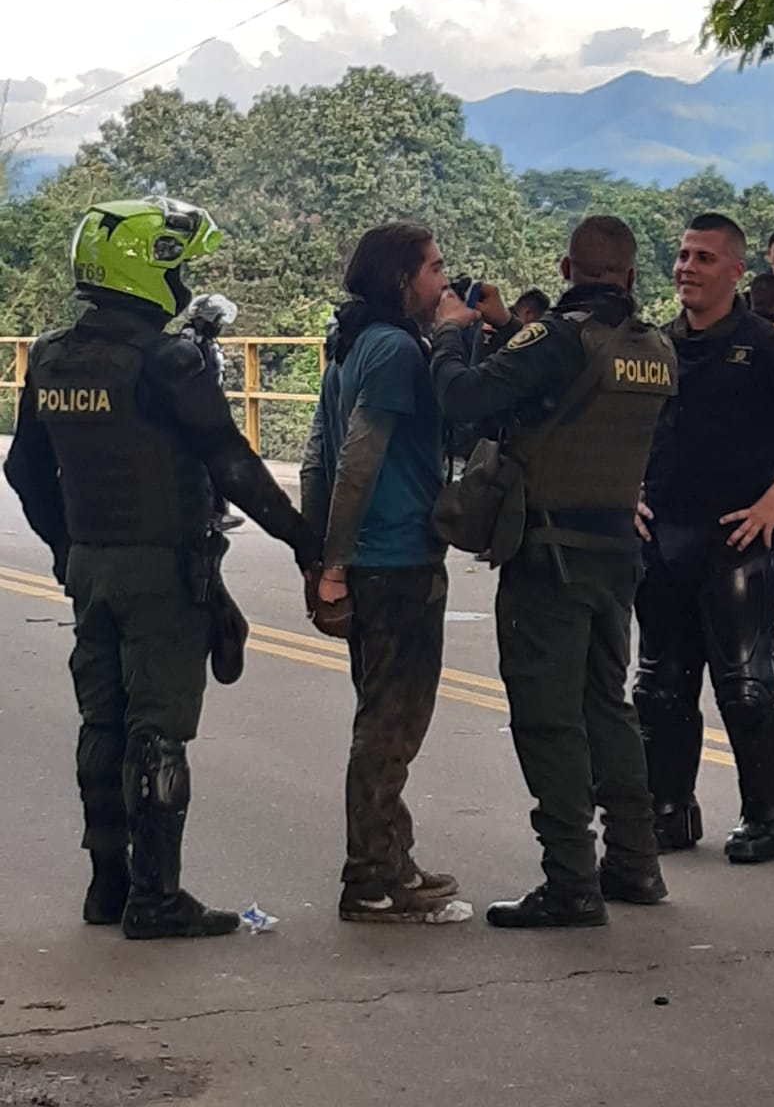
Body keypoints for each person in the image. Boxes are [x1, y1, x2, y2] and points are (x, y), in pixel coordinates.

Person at [4, 196, 321, 940]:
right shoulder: (166, 359)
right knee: (158, 731)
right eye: (177, 268)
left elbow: (24, 471)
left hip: (92, 566)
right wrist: (307, 541)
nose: (183, 285)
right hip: (163, 570)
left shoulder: (50, 355)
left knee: (102, 719)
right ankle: (157, 897)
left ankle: (107, 883)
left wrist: (64, 549)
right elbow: (234, 464)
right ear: (146, 271)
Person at [430, 215, 677, 929]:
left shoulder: (560, 338)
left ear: (567, 271)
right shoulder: (654, 348)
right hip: (616, 554)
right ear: (630, 278)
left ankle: (571, 880)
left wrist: (453, 334)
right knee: (608, 705)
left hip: (549, 554)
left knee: (548, 719)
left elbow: (464, 398)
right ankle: (635, 861)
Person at [634, 213, 774, 864]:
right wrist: (627, 496)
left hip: (739, 540)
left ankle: (771, 815)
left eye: (703, 258)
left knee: (747, 687)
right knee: (660, 687)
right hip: (663, 539)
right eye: (682, 255)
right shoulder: (653, 346)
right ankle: (667, 810)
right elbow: (618, 428)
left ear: (734, 270)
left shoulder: (772, 349)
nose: (687, 268)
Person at [299, 222, 470, 925]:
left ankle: (391, 858)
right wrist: (333, 563)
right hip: (396, 562)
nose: (444, 280)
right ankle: (371, 875)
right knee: (391, 728)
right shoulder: (398, 350)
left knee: (379, 718)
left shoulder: (349, 342)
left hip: (366, 566)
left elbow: (316, 459)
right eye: (433, 268)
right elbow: (359, 460)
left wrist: (318, 559)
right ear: (402, 279)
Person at [180, 292, 245, 531]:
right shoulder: (188, 342)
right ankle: (212, 512)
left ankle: (217, 511)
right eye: (216, 320)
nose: (219, 326)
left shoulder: (206, 343)